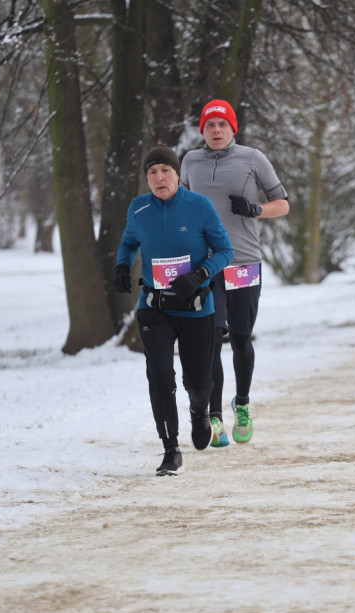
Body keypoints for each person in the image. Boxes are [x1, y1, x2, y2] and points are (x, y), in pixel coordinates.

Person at [114, 145, 234, 475]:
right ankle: (170, 448)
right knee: (160, 376)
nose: (159, 177)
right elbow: (128, 242)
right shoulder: (138, 209)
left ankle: (199, 413)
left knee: (198, 381)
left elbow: (225, 249)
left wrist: (200, 274)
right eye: (152, 172)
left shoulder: (199, 206)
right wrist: (122, 266)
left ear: (177, 174)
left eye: (165, 170)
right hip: (155, 306)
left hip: (196, 307)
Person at [180, 99, 289, 447]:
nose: (215, 131)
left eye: (222, 125)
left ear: (232, 129)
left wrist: (256, 209)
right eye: (210, 125)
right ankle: (214, 417)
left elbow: (283, 203)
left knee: (241, 338)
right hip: (205, 266)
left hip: (243, 263)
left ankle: (241, 403)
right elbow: (179, 204)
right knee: (211, 340)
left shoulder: (253, 158)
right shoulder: (190, 162)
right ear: (202, 130)